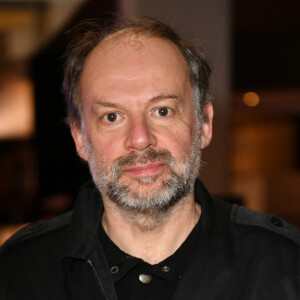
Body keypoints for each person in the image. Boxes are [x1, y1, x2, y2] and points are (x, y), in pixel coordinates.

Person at [0, 16, 299, 300]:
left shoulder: (286, 265)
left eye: (163, 111)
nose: (141, 139)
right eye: (113, 116)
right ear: (80, 138)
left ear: (204, 124)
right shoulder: (17, 273)